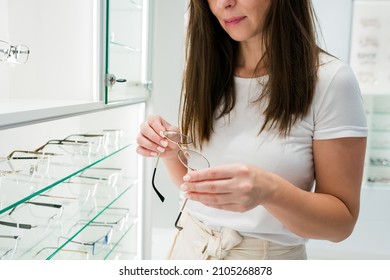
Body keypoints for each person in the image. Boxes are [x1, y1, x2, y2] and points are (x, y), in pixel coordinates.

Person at [136, 0, 367, 260]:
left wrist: (269, 190)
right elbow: (199, 191)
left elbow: (341, 224)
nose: (224, 3)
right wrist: (170, 152)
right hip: (187, 249)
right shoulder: (204, 70)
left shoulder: (331, 81)